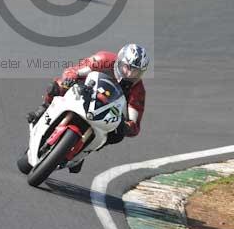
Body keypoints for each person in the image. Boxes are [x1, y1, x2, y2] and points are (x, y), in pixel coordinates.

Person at [27, 43, 149, 173]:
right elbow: (76, 69)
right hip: (84, 90)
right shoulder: (104, 59)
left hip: (105, 112)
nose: (130, 73)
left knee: (117, 135)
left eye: (136, 71)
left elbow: (134, 122)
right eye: (127, 67)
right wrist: (71, 76)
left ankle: (83, 150)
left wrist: (127, 127)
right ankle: (43, 109)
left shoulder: (138, 90)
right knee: (58, 85)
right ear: (120, 61)